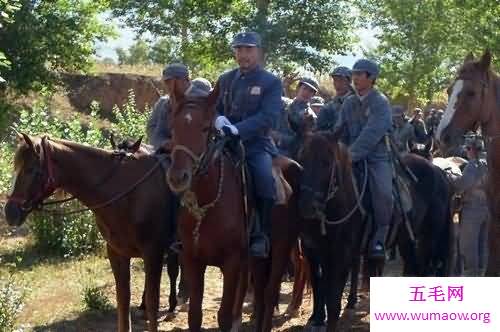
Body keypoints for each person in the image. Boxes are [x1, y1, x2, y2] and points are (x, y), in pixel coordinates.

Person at [214, 31, 282, 258]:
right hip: (222, 143)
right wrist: (217, 119)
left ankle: (261, 234)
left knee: (264, 181)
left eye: (248, 49)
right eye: (239, 49)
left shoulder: (270, 82)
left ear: (259, 52)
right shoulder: (225, 79)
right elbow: (213, 107)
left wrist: (239, 130)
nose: (243, 54)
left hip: (255, 145)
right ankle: (182, 231)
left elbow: (269, 117)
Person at [146, 64, 211, 252]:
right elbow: (153, 129)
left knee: (180, 186)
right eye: (166, 81)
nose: (169, 85)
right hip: (166, 153)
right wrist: (164, 143)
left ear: (186, 80)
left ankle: (182, 233)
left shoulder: (201, 99)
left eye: (173, 80)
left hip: (194, 156)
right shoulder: (164, 103)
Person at [334, 59, 393, 258]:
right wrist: (334, 149)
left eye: (360, 74)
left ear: (372, 78)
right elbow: (339, 130)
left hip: (376, 158)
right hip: (347, 155)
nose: (355, 78)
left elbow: (372, 134)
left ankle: (379, 238)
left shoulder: (380, 102)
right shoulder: (349, 102)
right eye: (354, 74)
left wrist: (350, 155)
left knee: (384, 194)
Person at [454, 134, 489, 276]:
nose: (466, 152)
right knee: (483, 245)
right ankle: (482, 273)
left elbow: (462, 185)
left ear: (473, 150)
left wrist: (452, 180)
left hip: (473, 209)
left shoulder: (472, 165)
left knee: (468, 245)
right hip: (487, 209)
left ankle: (471, 276)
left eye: (468, 148)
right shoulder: (489, 162)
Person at [317, 66, 355, 131]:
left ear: (349, 81)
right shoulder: (328, 107)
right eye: (335, 80)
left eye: (341, 80)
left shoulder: (359, 102)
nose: (337, 84)